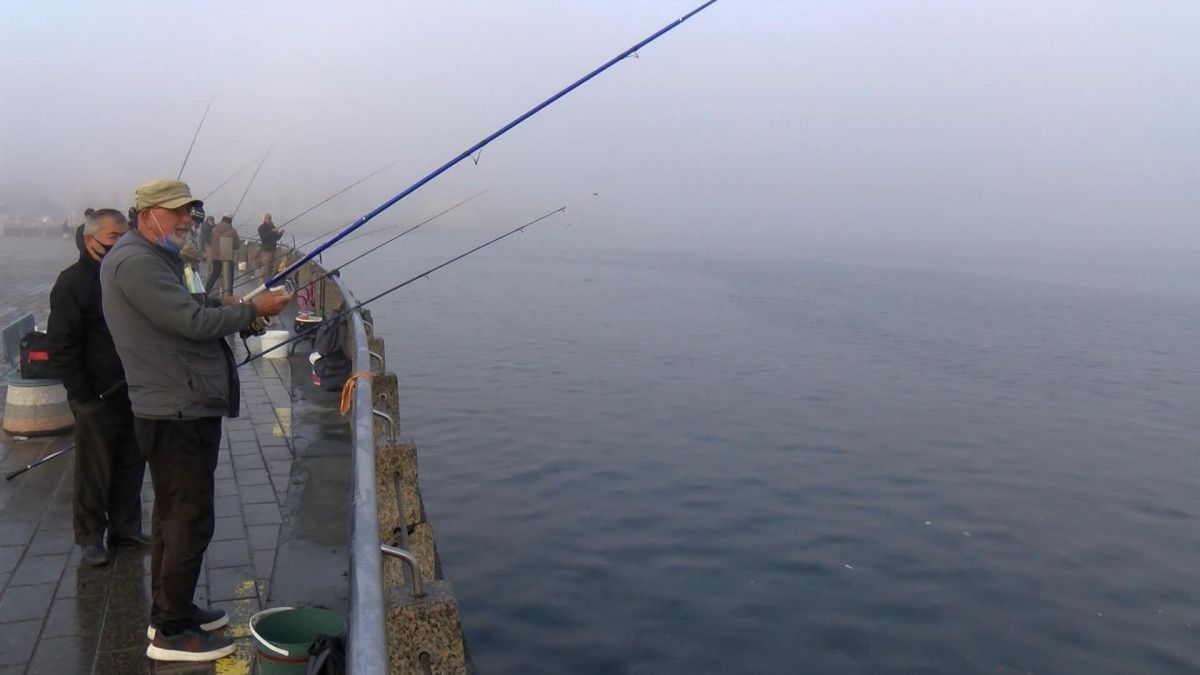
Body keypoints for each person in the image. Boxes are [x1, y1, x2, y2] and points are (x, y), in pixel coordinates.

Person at [100, 178, 291, 662]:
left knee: (170, 514)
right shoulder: (136, 262)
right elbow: (189, 324)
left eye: (190, 212)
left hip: (178, 404)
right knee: (190, 517)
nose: (188, 221)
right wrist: (252, 308)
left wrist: (226, 305)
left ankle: (173, 609)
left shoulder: (147, 258)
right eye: (177, 213)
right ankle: (170, 632)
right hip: (175, 410)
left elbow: (186, 308)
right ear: (147, 216)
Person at [47, 208, 148, 567]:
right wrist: (83, 395)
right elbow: (61, 343)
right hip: (96, 397)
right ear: (90, 240)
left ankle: (126, 529)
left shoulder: (128, 275)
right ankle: (90, 536)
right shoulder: (72, 282)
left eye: (125, 236)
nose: (120, 244)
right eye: (112, 238)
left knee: (131, 464)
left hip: (133, 391)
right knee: (94, 470)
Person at [204, 214, 239, 297]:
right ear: (230, 221)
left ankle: (206, 292)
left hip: (215, 257)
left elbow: (210, 241)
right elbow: (237, 245)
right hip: (227, 257)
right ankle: (228, 295)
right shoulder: (232, 231)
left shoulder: (214, 229)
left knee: (215, 274)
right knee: (229, 276)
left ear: (222, 219)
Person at [256, 211, 283, 283]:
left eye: (270, 218)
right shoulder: (261, 228)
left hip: (274, 250)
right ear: (264, 219)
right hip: (265, 251)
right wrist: (272, 232)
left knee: (273, 267)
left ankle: (270, 282)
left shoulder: (273, 227)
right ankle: (263, 283)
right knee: (265, 268)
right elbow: (264, 237)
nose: (268, 219)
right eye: (267, 218)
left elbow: (276, 238)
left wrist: (280, 234)